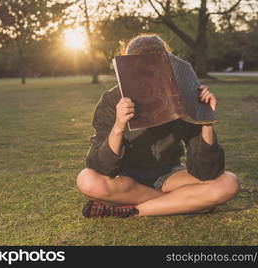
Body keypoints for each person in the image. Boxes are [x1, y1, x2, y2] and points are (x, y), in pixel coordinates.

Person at [76, 34, 240, 218]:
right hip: (127, 178)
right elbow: (100, 167)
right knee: (87, 180)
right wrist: (119, 126)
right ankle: (180, 202)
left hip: (169, 176)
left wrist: (205, 119)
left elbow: (207, 172)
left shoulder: (182, 96)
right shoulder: (111, 100)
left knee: (229, 183)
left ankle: (131, 210)